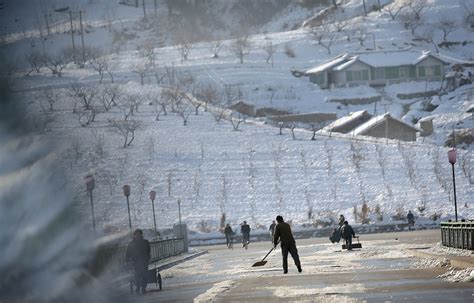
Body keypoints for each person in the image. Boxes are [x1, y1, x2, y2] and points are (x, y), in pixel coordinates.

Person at [126, 229, 151, 294]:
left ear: (141, 235)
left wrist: (147, 258)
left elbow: (148, 251)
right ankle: (138, 286)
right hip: (135, 262)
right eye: (136, 234)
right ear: (134, 235)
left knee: (144, 275)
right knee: (137, 275)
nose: (137, 235)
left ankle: (143, 287)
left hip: (144, 261)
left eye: (138, 234)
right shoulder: (131, 244)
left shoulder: (145, 242)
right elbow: (128, 253)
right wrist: (127, 260)